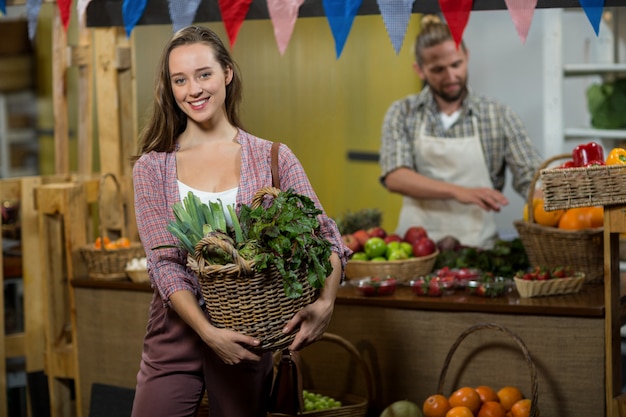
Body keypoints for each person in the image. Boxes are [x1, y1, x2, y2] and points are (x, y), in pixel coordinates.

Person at [130, 25, 350, 417]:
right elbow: (164, 264)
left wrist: (327, 301)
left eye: (204, 74)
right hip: (176, 329)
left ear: (227, 73)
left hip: (250, 329)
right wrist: (208, 333)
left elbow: (327, 237)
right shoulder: (152, 167)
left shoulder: (273, 158)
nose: (193, 90)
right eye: (180, 80)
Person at [379, 15, 543, 249]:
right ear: (420, 70)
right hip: (415, 251)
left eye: (456, 65)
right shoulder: (403, 112)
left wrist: (556, 202)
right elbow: (395, 176)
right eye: (438, 70)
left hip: (478, 249)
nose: (450, 76)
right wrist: (458, 192)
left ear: (466, 57)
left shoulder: (498, 115)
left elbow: (531, 177)